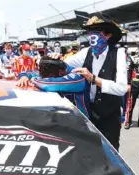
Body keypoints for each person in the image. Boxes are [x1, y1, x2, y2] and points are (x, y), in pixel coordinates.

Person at [50, 13, 128, 151]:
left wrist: (93, 78)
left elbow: (122, 88)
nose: (93, 35)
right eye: (91, 31)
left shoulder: (118, 53)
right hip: (88, 113)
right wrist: (56, 60)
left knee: (110, 152)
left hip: (109, 115)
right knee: (88, 150)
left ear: (108, 35)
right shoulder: (86, 52)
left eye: (97, 31)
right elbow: (64, 65)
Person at [17, 56, 89, 118]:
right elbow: (26, 72)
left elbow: (47, 84)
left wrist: (33, 80)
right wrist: (23, 77)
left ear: (60, 72)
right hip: (61, 116)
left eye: (50, 77)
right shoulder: (54, 70)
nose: (47, 78)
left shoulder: (78, 77)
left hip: (81, 120)